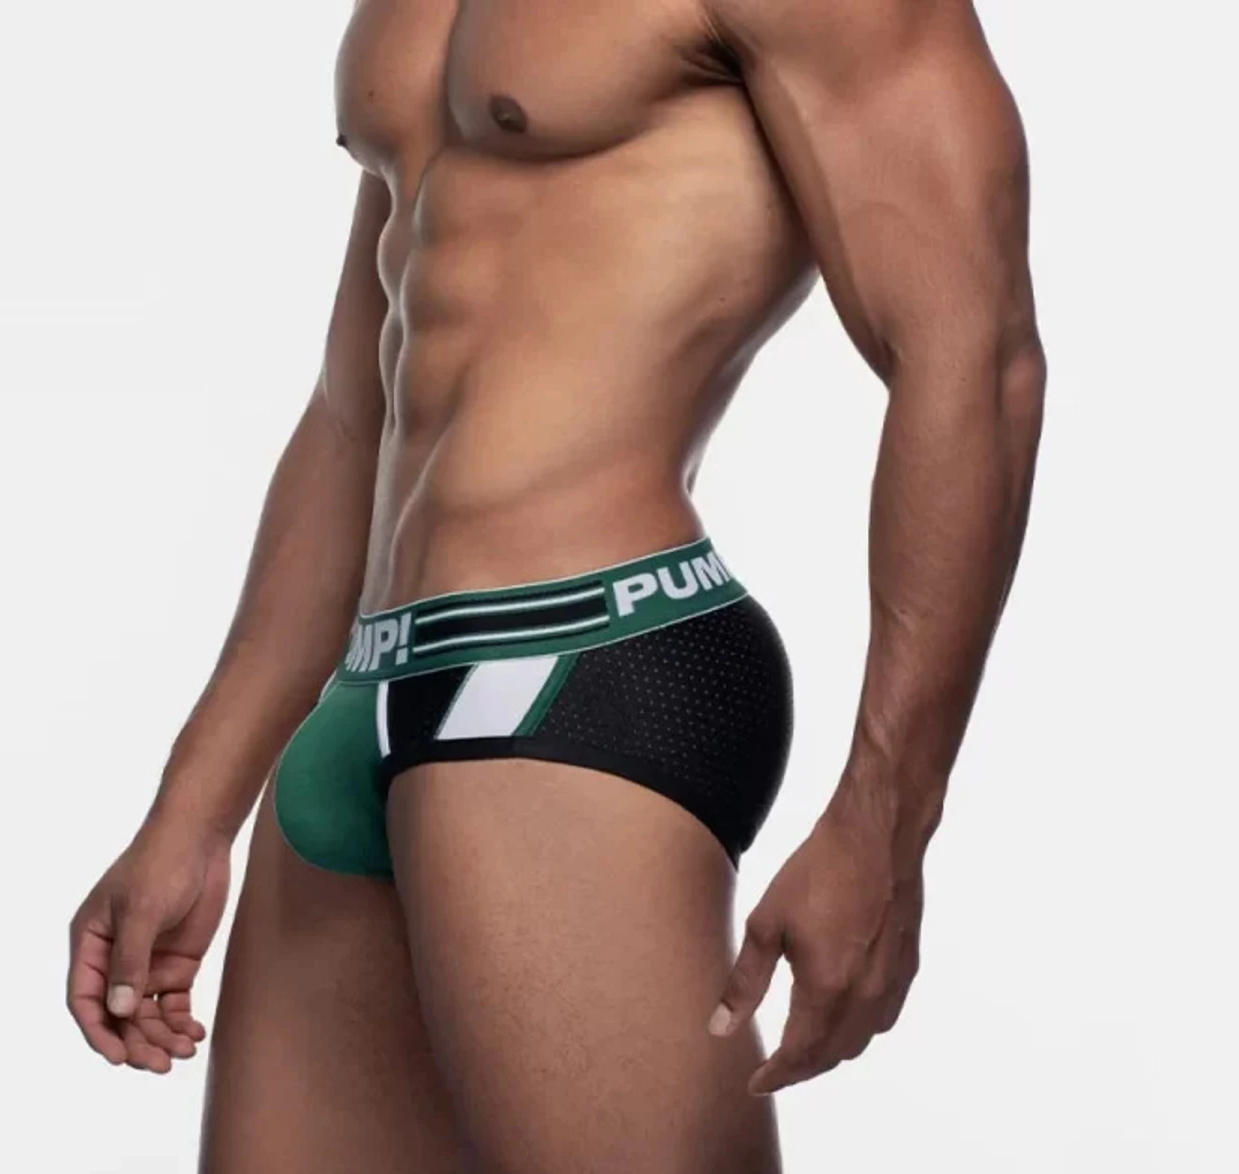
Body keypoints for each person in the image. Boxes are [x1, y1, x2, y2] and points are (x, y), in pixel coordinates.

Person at [66, 0, 1045, 1167]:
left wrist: (885, 823)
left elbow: (973, 354)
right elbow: (356, 406)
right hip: (363, 693)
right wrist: (193, 806)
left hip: (585, 661)